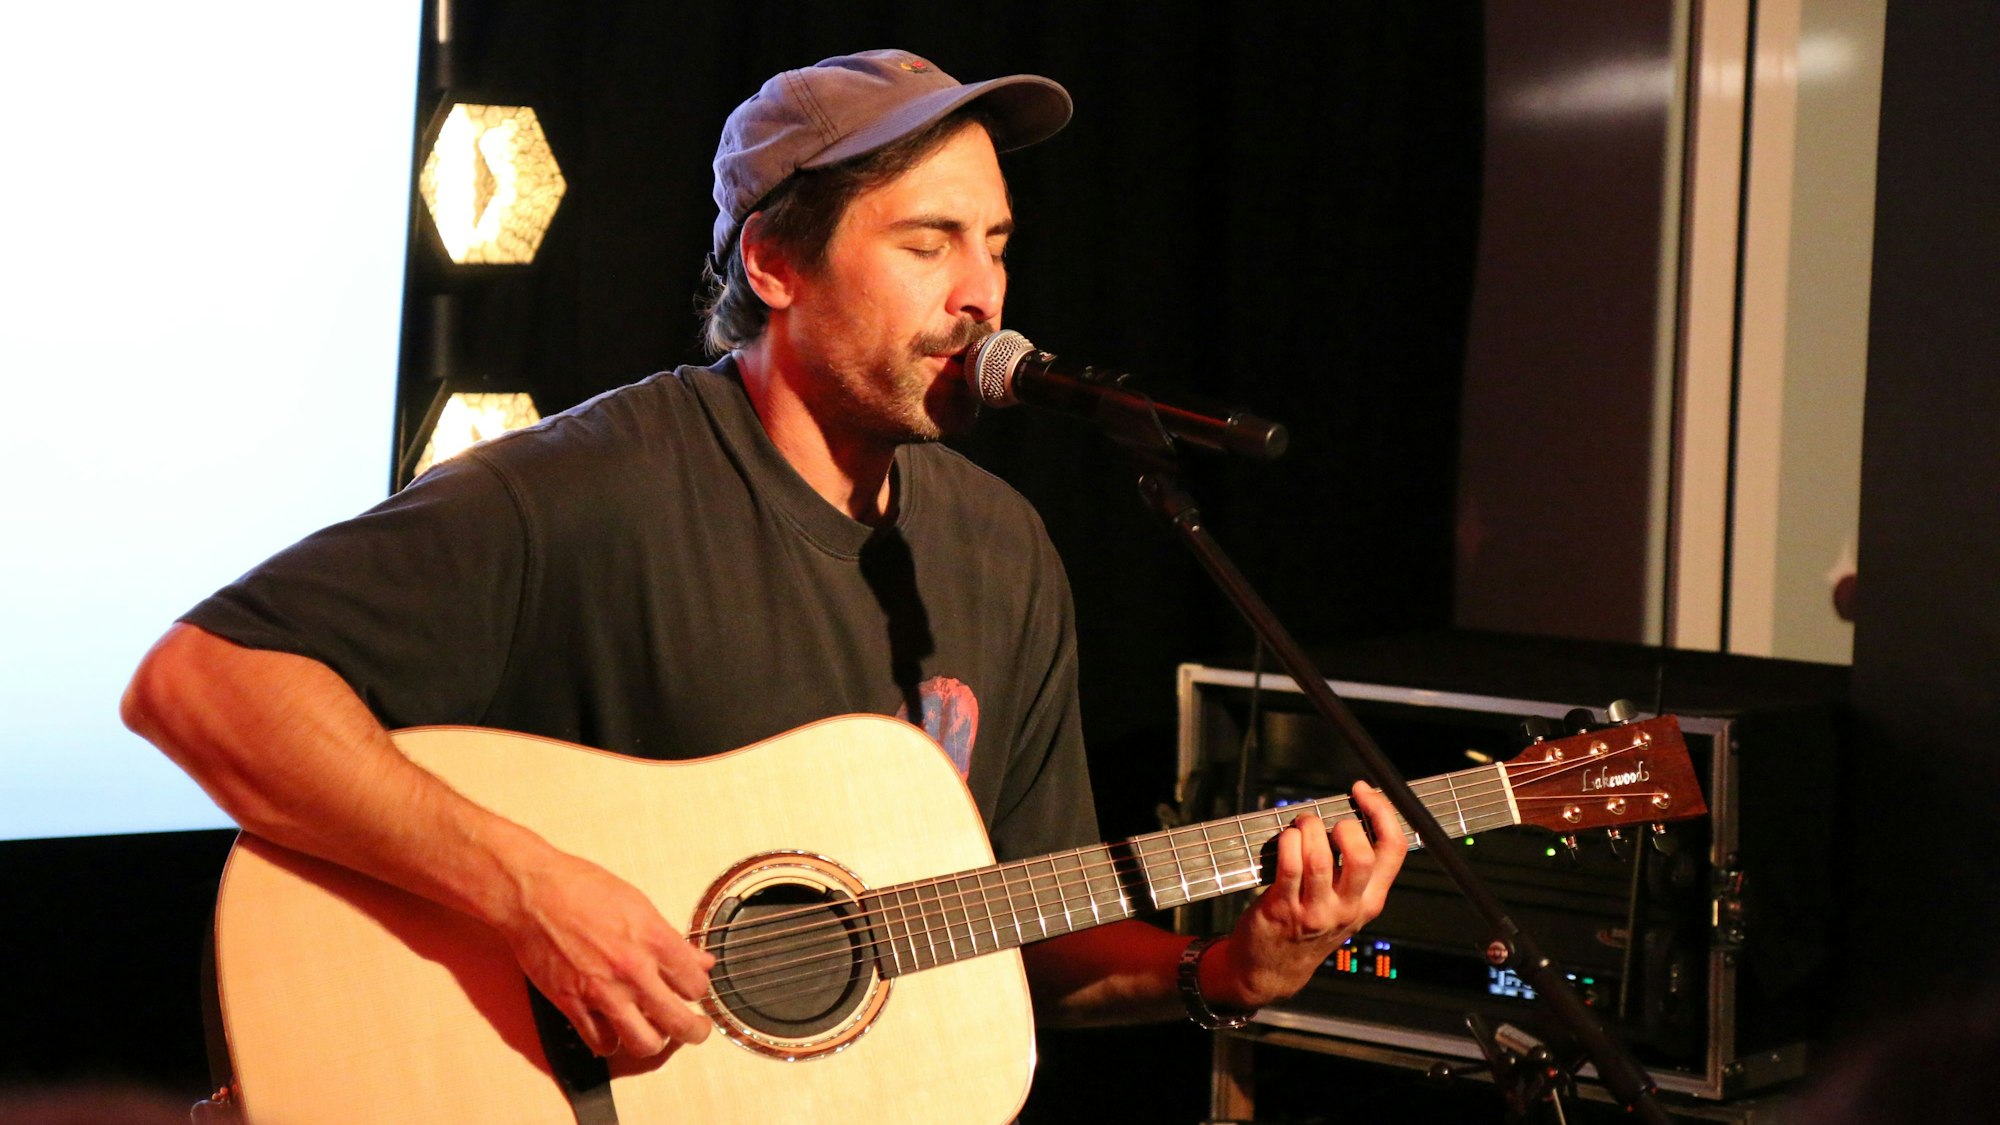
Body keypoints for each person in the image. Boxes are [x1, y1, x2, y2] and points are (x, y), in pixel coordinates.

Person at [122, 48, 1405, 1069]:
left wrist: (1225, 971)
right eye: (926, 243)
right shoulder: (594, 486)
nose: (982, 295)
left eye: (996, 243)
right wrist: (534, 894)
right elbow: (198, 684)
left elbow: (1019, 934)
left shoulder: (998, 551)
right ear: (775, 262)